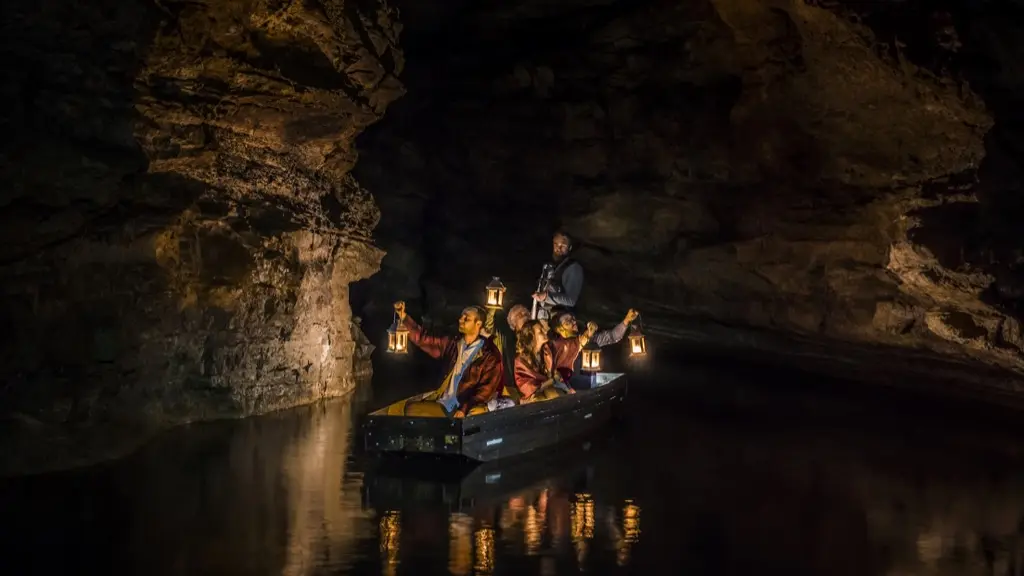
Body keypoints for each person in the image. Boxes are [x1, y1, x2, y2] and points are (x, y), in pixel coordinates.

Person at [393, 301, 503, 418]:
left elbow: (486, 389)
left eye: (467, 319)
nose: (461, 320)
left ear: (478, 324)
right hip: (444, 401)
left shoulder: (490, 355)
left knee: (412, 410)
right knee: (408, 407)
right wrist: (403, 316)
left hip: (462, 407)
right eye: (461, 316)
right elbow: (424, 339)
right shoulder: (453, 343)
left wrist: (464, 409)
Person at [545, 308, 640, 379]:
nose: (573, 322)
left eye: (572, 318)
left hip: (587, 383)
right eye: (567, 322)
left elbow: (612, 336)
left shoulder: (588, 338)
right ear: (559, 329)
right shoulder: (555, 346)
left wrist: (626, 320)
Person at [513, 320, 580, 402]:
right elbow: (530, 388)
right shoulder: (521, 361)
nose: (545, 331)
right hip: (535, 397)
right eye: (540, 331)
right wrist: (552, 380)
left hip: (554, 388)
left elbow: (568, 346)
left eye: (543, 329)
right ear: (532, 336)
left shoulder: (547, 350)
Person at [482, 303, 531, 401]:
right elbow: (488, 329)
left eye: (525, 313)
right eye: (519, 315)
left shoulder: (535, 336)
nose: (524, 315)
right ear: (513, 323)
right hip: (510, 387)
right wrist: (492, 309)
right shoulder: (504, 338)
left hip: (530, 386)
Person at [532, 231, 584, 320]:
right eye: (556, 244)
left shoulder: (574, 268)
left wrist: (546, 297)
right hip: (543, 318)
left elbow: (571, 300)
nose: (558, 248)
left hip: (562, 321)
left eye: (563, 246)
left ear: (570, 248)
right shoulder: (549, 266)